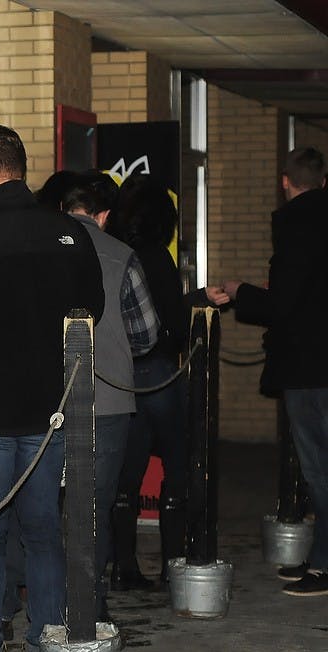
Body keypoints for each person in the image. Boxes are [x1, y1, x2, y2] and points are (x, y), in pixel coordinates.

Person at [0, 124, 104, 652]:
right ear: (19, 168)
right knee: (45, 533)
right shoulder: (66, 231)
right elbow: (91, 312)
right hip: (52, 413)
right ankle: (50, 641)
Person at [105, 175, 228, 588]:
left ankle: (125, 567)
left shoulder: (118, 254)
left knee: (128, 478)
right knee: (176, 473)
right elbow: (171, 325)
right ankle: (174, 566)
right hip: (161, 373)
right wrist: (193, 302)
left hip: (125, 380)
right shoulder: (158, 256)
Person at [223, 146, 328, 597]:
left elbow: (284, 303)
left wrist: (240, 291)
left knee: (318, 469)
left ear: (286, 182)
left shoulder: (294, 225)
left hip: (309, 366)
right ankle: (322, 555)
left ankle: (324, 567)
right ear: (323, 180)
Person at [62, 172, 160, 620]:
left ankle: (41, 600)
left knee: (46, 505)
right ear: (102, 216)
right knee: (95, 506)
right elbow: (145, 334)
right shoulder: (122, 255)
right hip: (110, 400)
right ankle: (91, 607)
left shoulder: (39, 248)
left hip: (47, 401)